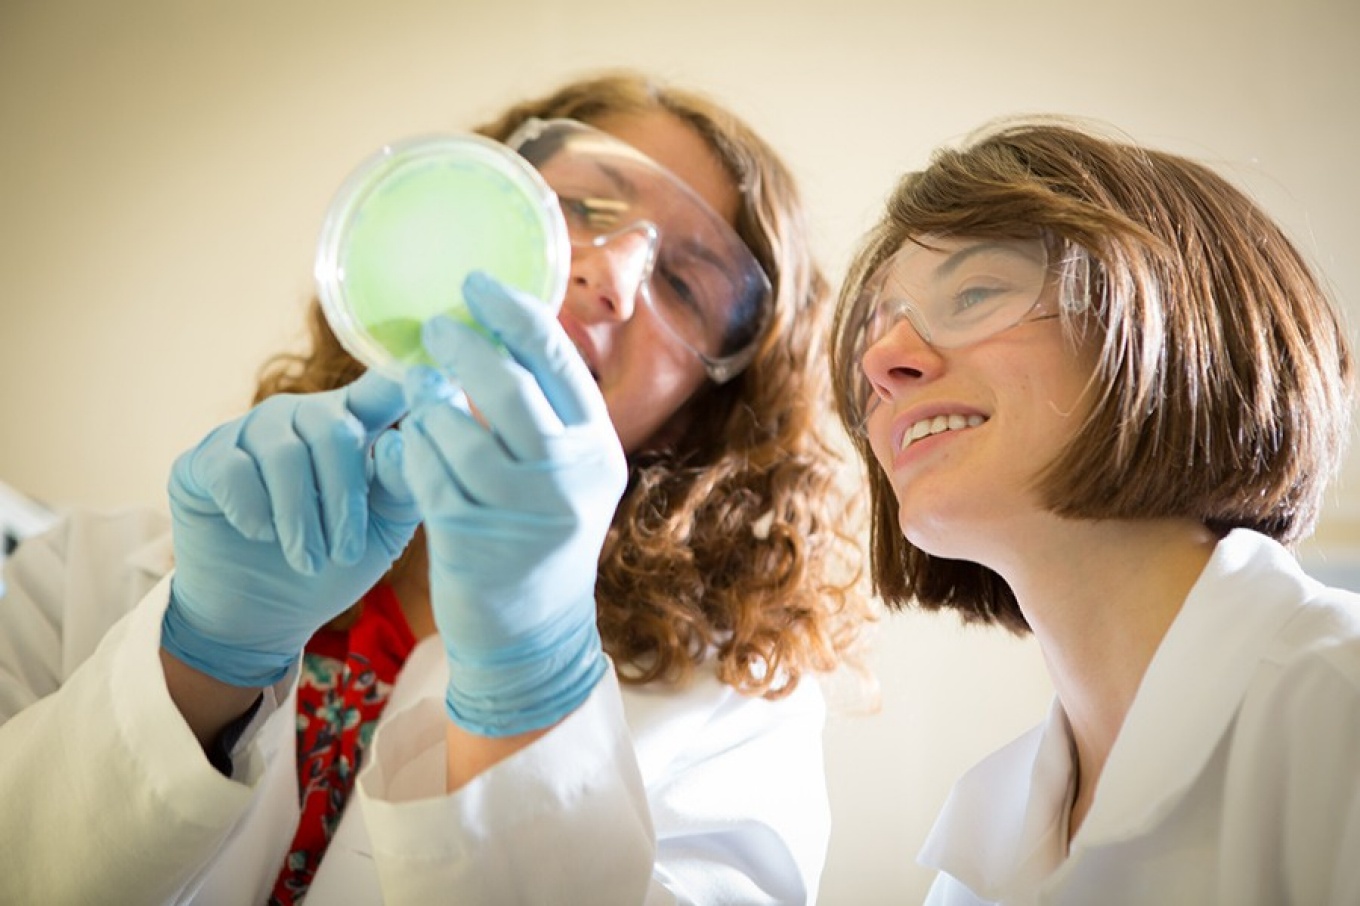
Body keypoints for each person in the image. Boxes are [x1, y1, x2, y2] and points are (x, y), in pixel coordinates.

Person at [0, 70, 870, 904]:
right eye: (581, 206)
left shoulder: (738, 727)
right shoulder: (79, 574)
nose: (609, 272)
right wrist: (199, 656)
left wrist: (533, 678)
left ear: (692, 418)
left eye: (684, 282)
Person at [829, 117, 1360, 905]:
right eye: (879, 328)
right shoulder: (983, 854)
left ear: (1177, 326)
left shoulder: (1339, 710)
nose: (881, 363)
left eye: (974, 292)